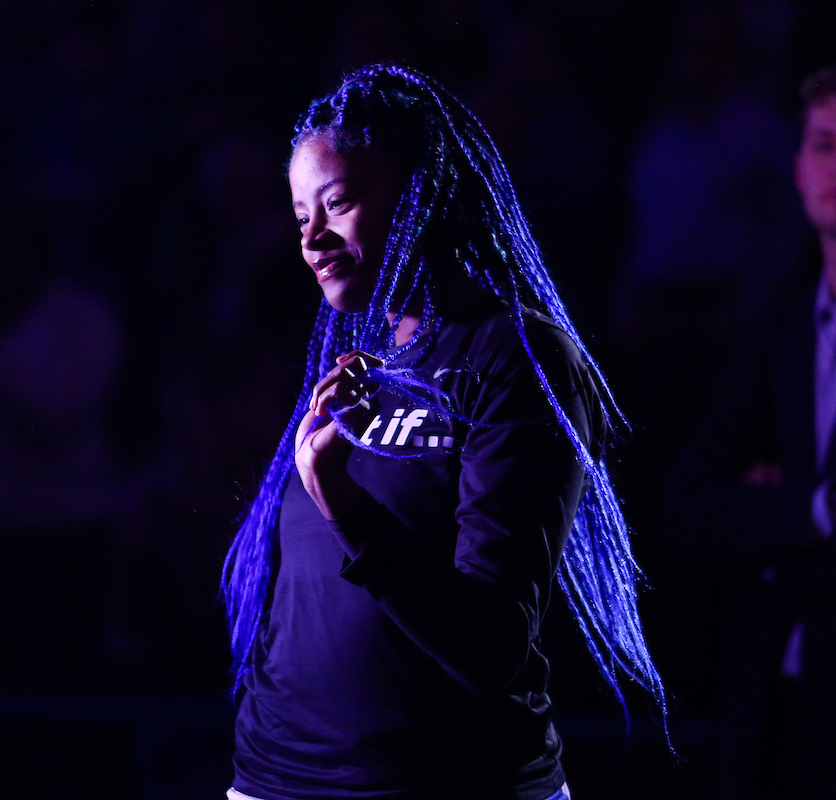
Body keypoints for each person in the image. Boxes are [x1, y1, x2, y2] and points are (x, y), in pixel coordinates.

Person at [220, 64, 667, 800]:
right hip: (275, 782)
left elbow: (488, 644)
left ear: (419, 198)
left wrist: (343, 500)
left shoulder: (515, 356)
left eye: (339, 202)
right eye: (302, 216)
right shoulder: (353, 356)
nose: (314, 238)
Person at [663, 63, 836, 798]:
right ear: (797, 168)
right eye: (825, 145)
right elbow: (688, 509)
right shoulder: (775, 338)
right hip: (772, 715)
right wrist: (817, 510)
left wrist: (771, 528)